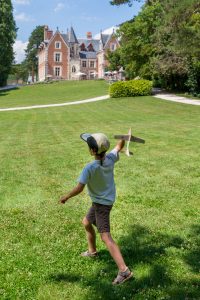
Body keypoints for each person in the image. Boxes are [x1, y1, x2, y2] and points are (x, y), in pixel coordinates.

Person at [59, 132, 133, 285]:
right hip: (103, 201)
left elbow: (80, 188)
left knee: (106, 237)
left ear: (92, 151)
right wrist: (124, 138)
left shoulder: (89, 168)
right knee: (86, 222)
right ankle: (92, 252)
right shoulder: (110, 158)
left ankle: (124, 271)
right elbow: (118, 147)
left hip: (102, 205)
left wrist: (66, 197)